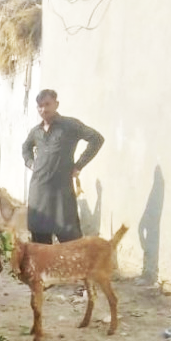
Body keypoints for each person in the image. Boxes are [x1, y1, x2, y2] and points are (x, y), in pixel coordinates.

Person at [22, 89, 104, 244]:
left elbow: (96, 139)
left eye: (47, 104)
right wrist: (30, 162)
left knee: (72, 244)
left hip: (62, 194)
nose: (43, 109)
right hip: (38, 194)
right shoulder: (36, 131)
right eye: (40, 106)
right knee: (40, 248)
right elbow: (25, 147)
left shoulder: (70, 125)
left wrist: (79, 165)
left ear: (56, 104)